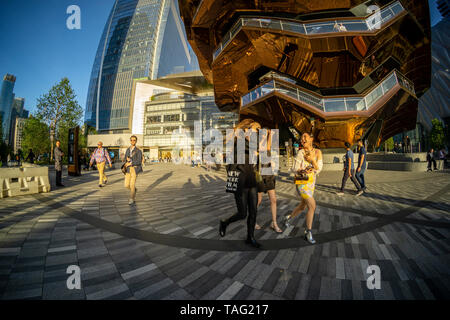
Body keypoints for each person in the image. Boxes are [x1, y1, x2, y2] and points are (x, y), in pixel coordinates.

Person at [219, 119, 262, 248]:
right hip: (240, 181)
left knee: (253, 211)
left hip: (251, 179)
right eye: (254, 131)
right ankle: (225, 223)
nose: (256, 134)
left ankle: (250, 237)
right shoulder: (240, 142)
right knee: (242, 213)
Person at [284, 132, 323, 244]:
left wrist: (311, 160)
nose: (302, 139)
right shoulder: (301, 152)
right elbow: (294, 168)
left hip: (311, 184)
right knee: (312, 206)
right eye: (301, 138)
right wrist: (302, 169)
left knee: (302, 206)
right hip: (302, 183)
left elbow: (319, 168)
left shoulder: (318, 152)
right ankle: (308, 231)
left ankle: (288, 218)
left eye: (305, 137)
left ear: (311, 139)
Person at [254, 128, 282, 233]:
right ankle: (253, 220)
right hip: (260, 176)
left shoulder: (267, 145)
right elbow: (260, 149)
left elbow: (268, 146)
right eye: (263, 133)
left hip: (269, 175)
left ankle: (274, 223)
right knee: (258, 200)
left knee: (273, 200)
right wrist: (264, 136)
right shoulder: (256, 144)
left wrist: (269, 134)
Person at [123, 135, 143, 205]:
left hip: (134, 169)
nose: (132, 141)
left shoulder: (138, 151)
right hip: (128, 169)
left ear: (136, 141)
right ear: (130, 141)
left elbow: (139, 161)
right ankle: (134, 190)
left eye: (134, 140)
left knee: (132, 184)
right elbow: (125, 158)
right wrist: (126, 161)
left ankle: (132, 199)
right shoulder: (128, 149)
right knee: (126, 185)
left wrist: (131, 163)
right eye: (131, 140)